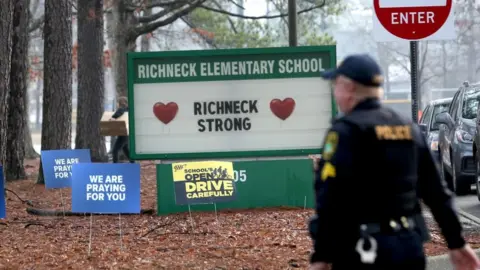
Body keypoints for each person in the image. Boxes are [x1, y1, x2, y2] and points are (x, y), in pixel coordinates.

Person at [308, 54, 480, 270]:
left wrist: (321, 256)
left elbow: (330, 198)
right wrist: (456, 242)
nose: (335, 93)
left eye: (336, 86)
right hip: (408, 247)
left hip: (362, 250)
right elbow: (436, 192)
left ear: (348, 88)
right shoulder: (408, 128)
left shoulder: (345, 132)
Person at [110, 96, 134, 163]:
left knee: (115, 150)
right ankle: (133, 164)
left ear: (120, 103)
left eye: (118, 102)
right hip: (127, 133)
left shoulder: (122, 109)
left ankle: (115, 166)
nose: (117, 104)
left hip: (123, 134)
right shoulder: (129, 109)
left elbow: (120, 112)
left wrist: (114, 117)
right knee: (125, 149)